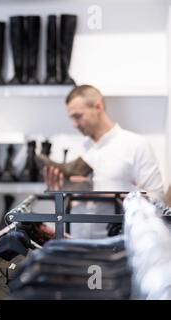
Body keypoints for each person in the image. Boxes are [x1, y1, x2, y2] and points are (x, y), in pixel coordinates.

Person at [43, 84, 164, 239]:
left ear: (98, 107)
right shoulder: (76, 150)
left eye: (78, 116)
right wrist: (59, 192)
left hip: (120, 246)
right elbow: (71, 207)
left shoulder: (136, 146)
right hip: (75, 243)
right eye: (71, 118)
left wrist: (103, 193)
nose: (74, 124)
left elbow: (157, 200)